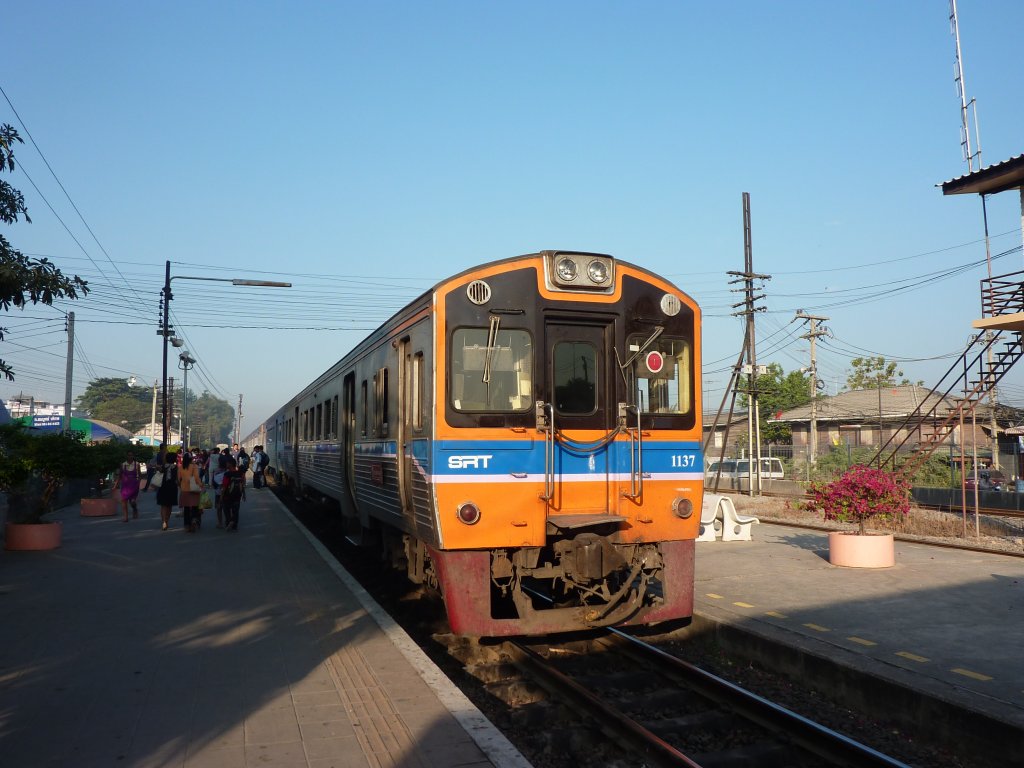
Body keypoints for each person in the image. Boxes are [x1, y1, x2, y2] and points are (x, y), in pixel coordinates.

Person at [112, 450, 142, 522]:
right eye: (129, 455)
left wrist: (138, 483)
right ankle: (125, 517)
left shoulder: (137, 464)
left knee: (132, 502)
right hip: (125, 485)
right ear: (126, 456)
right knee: (124, 500)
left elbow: (140, 475)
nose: (130, 456)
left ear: (133, 456)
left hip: (134, 485)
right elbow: (119, 476)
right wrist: (115, 486)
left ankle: (135, 509)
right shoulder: (123, 465)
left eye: (131, 455)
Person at [177, 450, 203, 533]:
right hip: (194, 489)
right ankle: (194, 519)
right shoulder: (194, 466)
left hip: (184, 489)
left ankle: (187, 525)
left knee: (187, 509)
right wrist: (201, 485)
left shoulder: (181, 467)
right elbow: (196, 477)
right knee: (195, 506)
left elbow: (178, 479)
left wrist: (180, 485)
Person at [220, 456, 246, 531]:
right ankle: (234, 525)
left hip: (228, 495)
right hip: (238, 495)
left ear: (230, 464)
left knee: (227, 509)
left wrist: (221, 497)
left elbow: (224, 486)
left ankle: (229, 522)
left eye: (227, 463)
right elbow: (242, 483)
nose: (226, 464)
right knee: (236, 510)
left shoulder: (227, 474)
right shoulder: (239, 473)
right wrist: (243, 494)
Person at [155, 451, 178, 530]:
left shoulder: (163, 467)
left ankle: (164, 521)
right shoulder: (176, 468)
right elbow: (178, 480)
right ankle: (167, 521)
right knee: (169, 505)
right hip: (172, 488)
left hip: (163, 487)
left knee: (163, 505)